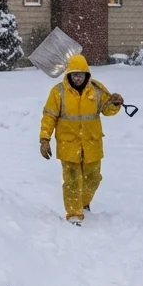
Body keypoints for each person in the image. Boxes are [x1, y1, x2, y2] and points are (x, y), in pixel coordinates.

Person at [39, 54, 124, 225]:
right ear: (69, 75)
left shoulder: (97, 90)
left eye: (81, 75)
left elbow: (107, 111)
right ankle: (74, 214)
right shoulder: (58, 92)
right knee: (72, 181)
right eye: (75, 75)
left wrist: (115, 103)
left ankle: (83, 202)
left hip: (92, 144)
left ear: (87, 74)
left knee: (93, 178)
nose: (78, 78)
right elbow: (49, 116)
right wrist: (44, 139)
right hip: (68, 144)